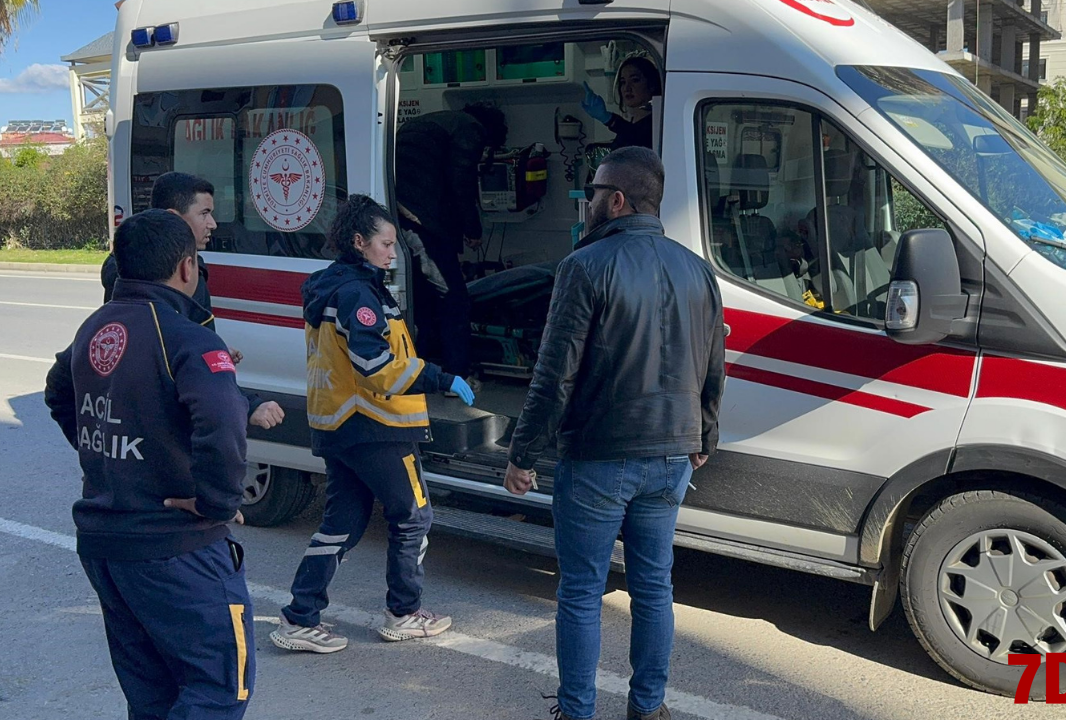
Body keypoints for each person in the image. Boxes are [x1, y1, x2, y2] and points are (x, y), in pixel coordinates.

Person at [503, 147, 726, 720]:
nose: (589, 201)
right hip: (673, 452)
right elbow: (711, 362)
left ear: (617, 199)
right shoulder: (698, 268)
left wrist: (523, 453)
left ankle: (577, 712)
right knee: (654, 589)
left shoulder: (583, 266)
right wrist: (704, 434)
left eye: (594, 192)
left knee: (581, 592)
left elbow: (556, 372)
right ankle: (648, 710)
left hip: (600, 455)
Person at [44, 209, 255, 720]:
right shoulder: (187, 336)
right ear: (188, 268)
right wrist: (216, 501)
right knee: (220, 689)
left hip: (106, 548)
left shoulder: (96, 325)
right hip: (175, 546)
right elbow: (224, 417)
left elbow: (58, 392)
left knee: (153, 697)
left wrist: (107, 458)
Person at [270, 195, 477, 653]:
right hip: (376, 425)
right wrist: (441, 377)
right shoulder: (358, 295)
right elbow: (376, 365)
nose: (392, 251)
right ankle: (404, 612)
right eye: (385, 243)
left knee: (342, 522)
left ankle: (299, 617)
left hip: (338, 425)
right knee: (414, 516)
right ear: (359, 242)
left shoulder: (334, 286)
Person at [102, 172, 285, 431]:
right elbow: (178, 363)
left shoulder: (130, 270)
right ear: (174, 217)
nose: (213, 224)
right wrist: (248, 404)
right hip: (161, 435)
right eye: (204, 213)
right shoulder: (168, 277)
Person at [394, 103, 508, 389]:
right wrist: (472, 229)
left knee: (423, 299)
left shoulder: (432, 122)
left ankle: (427, 370)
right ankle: (458, 376)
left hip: (401, 216)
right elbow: (461, 180)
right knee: (453, 297)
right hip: (423, 219)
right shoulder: (470, 128)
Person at [581, 55, 662, 150]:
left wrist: (608, 118)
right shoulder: (631, 126)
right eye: (623, 82)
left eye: (635, 80)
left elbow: (638, 138)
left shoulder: (657, 124)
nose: (627, 88)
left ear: (652, 84)